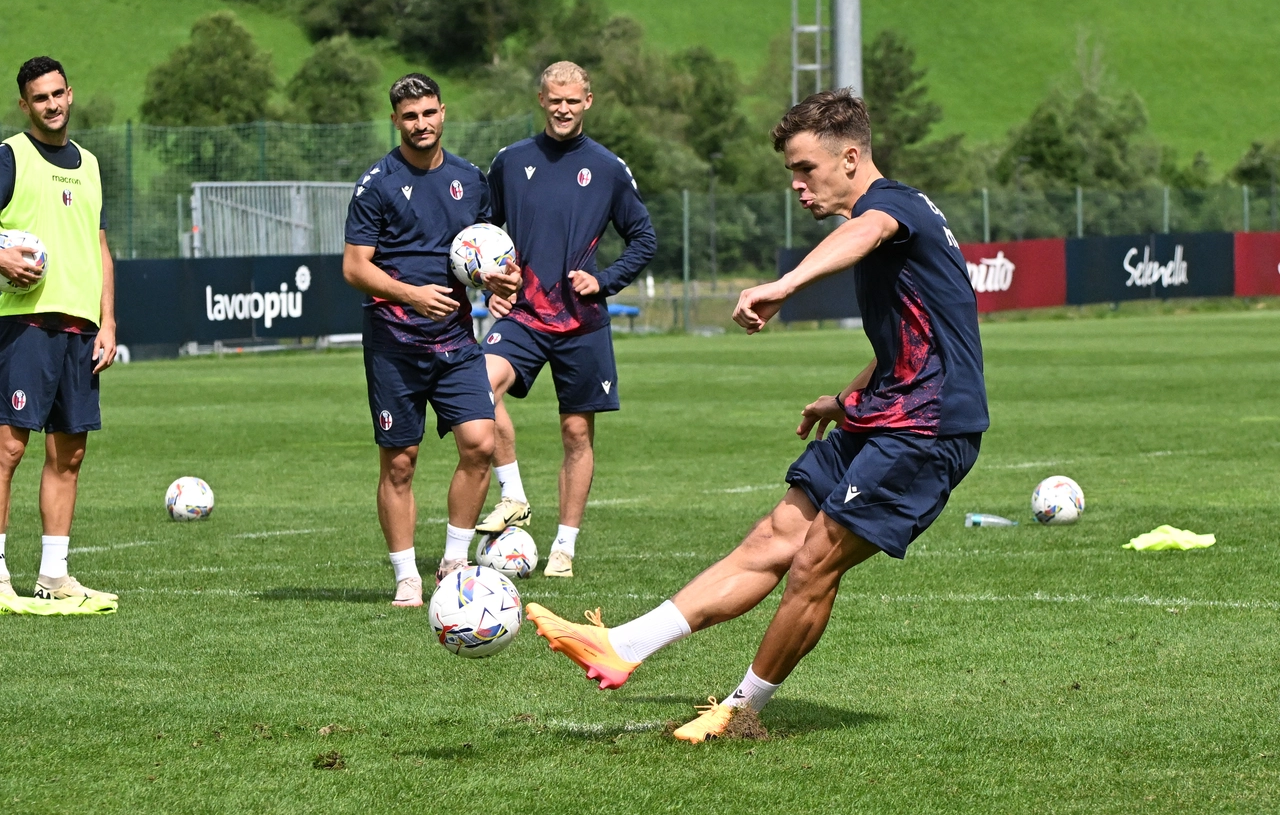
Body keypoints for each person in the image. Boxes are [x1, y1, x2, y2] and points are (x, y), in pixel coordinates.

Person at [525, 88, 989, 741]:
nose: (797, 186)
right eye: (791, 173)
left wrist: (784, 284)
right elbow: (922, 335)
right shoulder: (902, 214)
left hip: (928, 426)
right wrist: (847, 395)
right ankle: (621, 644)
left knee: (815, 558)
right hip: (887, 408)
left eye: (806, 169)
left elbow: (868, 231)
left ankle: (740, 710)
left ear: (851, 157)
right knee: (774, 536)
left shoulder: (891, 209)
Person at [342, 73, 520, 606]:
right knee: (400, 461)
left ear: (444, 112)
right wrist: (410, 295)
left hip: (456, 340)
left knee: (480, 444)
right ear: (395, 119)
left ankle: (454, 561)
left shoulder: (471, 178)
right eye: (409, 116)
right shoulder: (376, 183)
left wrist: (502, 281)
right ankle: (405, 576)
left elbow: (487, 252)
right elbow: (354, 268)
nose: (421, 124)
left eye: (428, 113)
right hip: (395, 342)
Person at [478, 61, 657, 578]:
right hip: (525, 315)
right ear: (541, 100)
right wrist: (493, 284)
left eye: (573, 100)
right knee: (475, 387)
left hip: (582, 322)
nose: (563, 108)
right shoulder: (510, 162)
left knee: (577, 433)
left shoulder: (607, 167)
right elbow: (484, 240)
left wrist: (605, 281)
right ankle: (513, 495)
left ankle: (563, 548)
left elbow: (644, 238)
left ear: (588, 102)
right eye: (555, 99)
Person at [0, 57, 118, 601]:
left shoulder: (90, 164)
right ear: (25, 105)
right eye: (38, 98)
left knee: (68, 453)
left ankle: (53, 574)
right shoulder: (11, 156)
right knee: (8, 448)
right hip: (22, 322)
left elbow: (97, 245)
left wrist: (108, 320)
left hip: (80, 326)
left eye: (57, 94)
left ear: (71, 95)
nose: (50, 105)